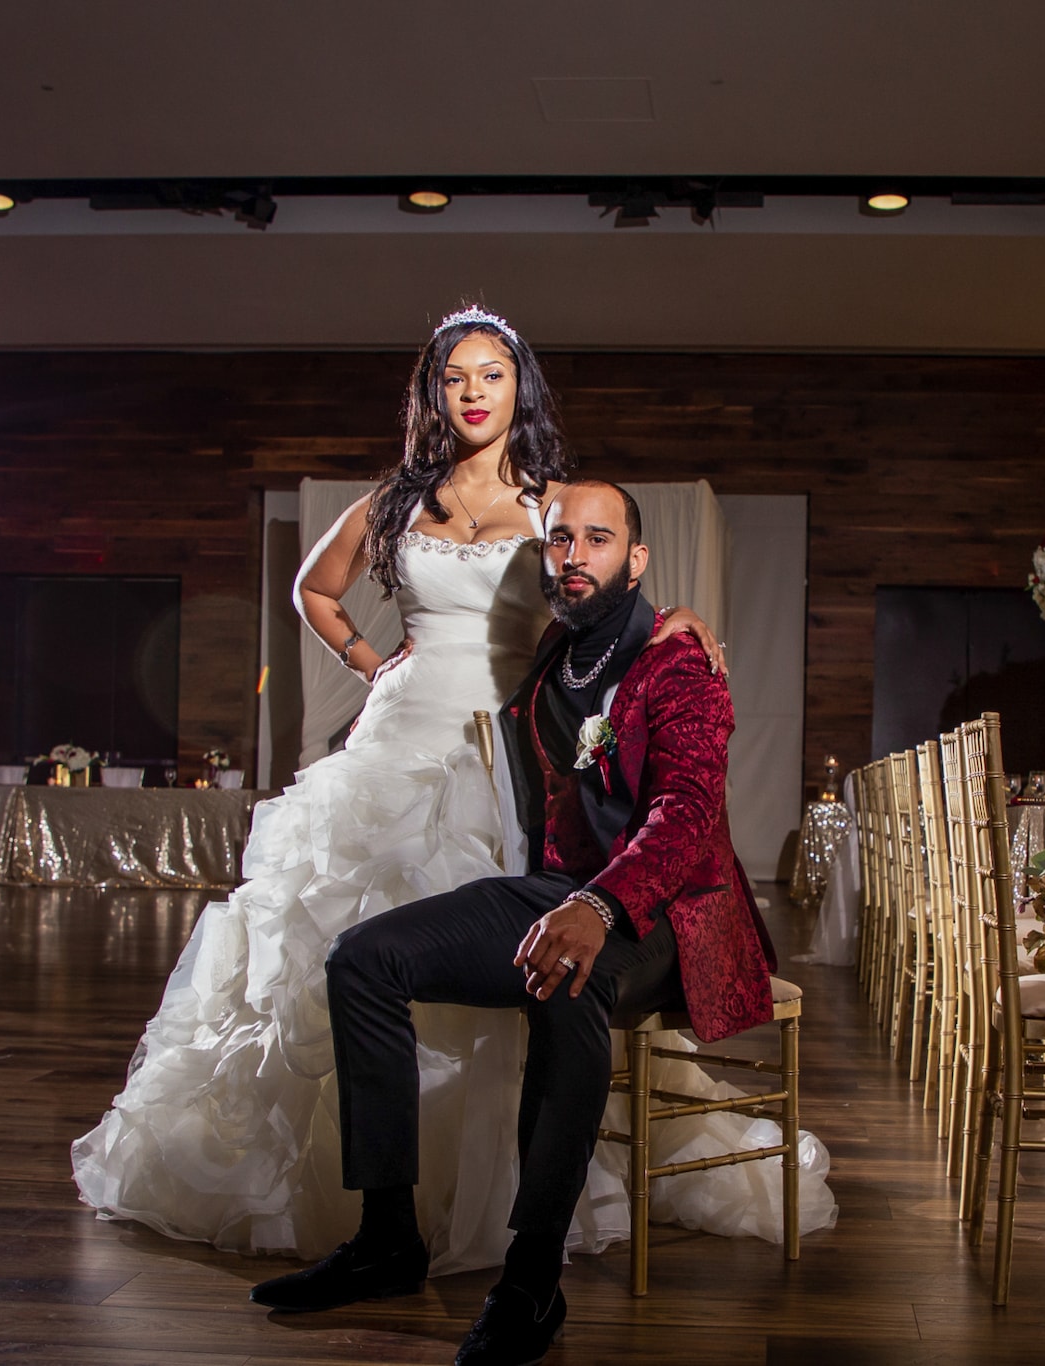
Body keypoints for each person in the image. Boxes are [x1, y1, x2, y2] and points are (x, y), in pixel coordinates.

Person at [72, 306, 831, 1276]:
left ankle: (495, 1199)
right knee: (342, 951)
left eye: (492, 375)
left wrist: (680, 612)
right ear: (433, 394)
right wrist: (366, 656)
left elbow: (608, 594)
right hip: (395, 742)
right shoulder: (397, 498)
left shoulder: (555, 501)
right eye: (455, 377)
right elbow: (315, 589)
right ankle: (369, 1209)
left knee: (511, 970)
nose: (473, 392)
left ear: (522, 391)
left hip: (502, 752)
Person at [251, 480, 773, 1365]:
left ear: (635, 559)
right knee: (362, 960)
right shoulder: (552, 657)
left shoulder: (680, 661)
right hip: (557, 892)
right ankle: (388, 1239)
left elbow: (685, 816)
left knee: (567, 985)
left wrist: (598, 904)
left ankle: (532, 1284)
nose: (573, 556)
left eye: (598, 540)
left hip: (661, 916)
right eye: (560, 540)